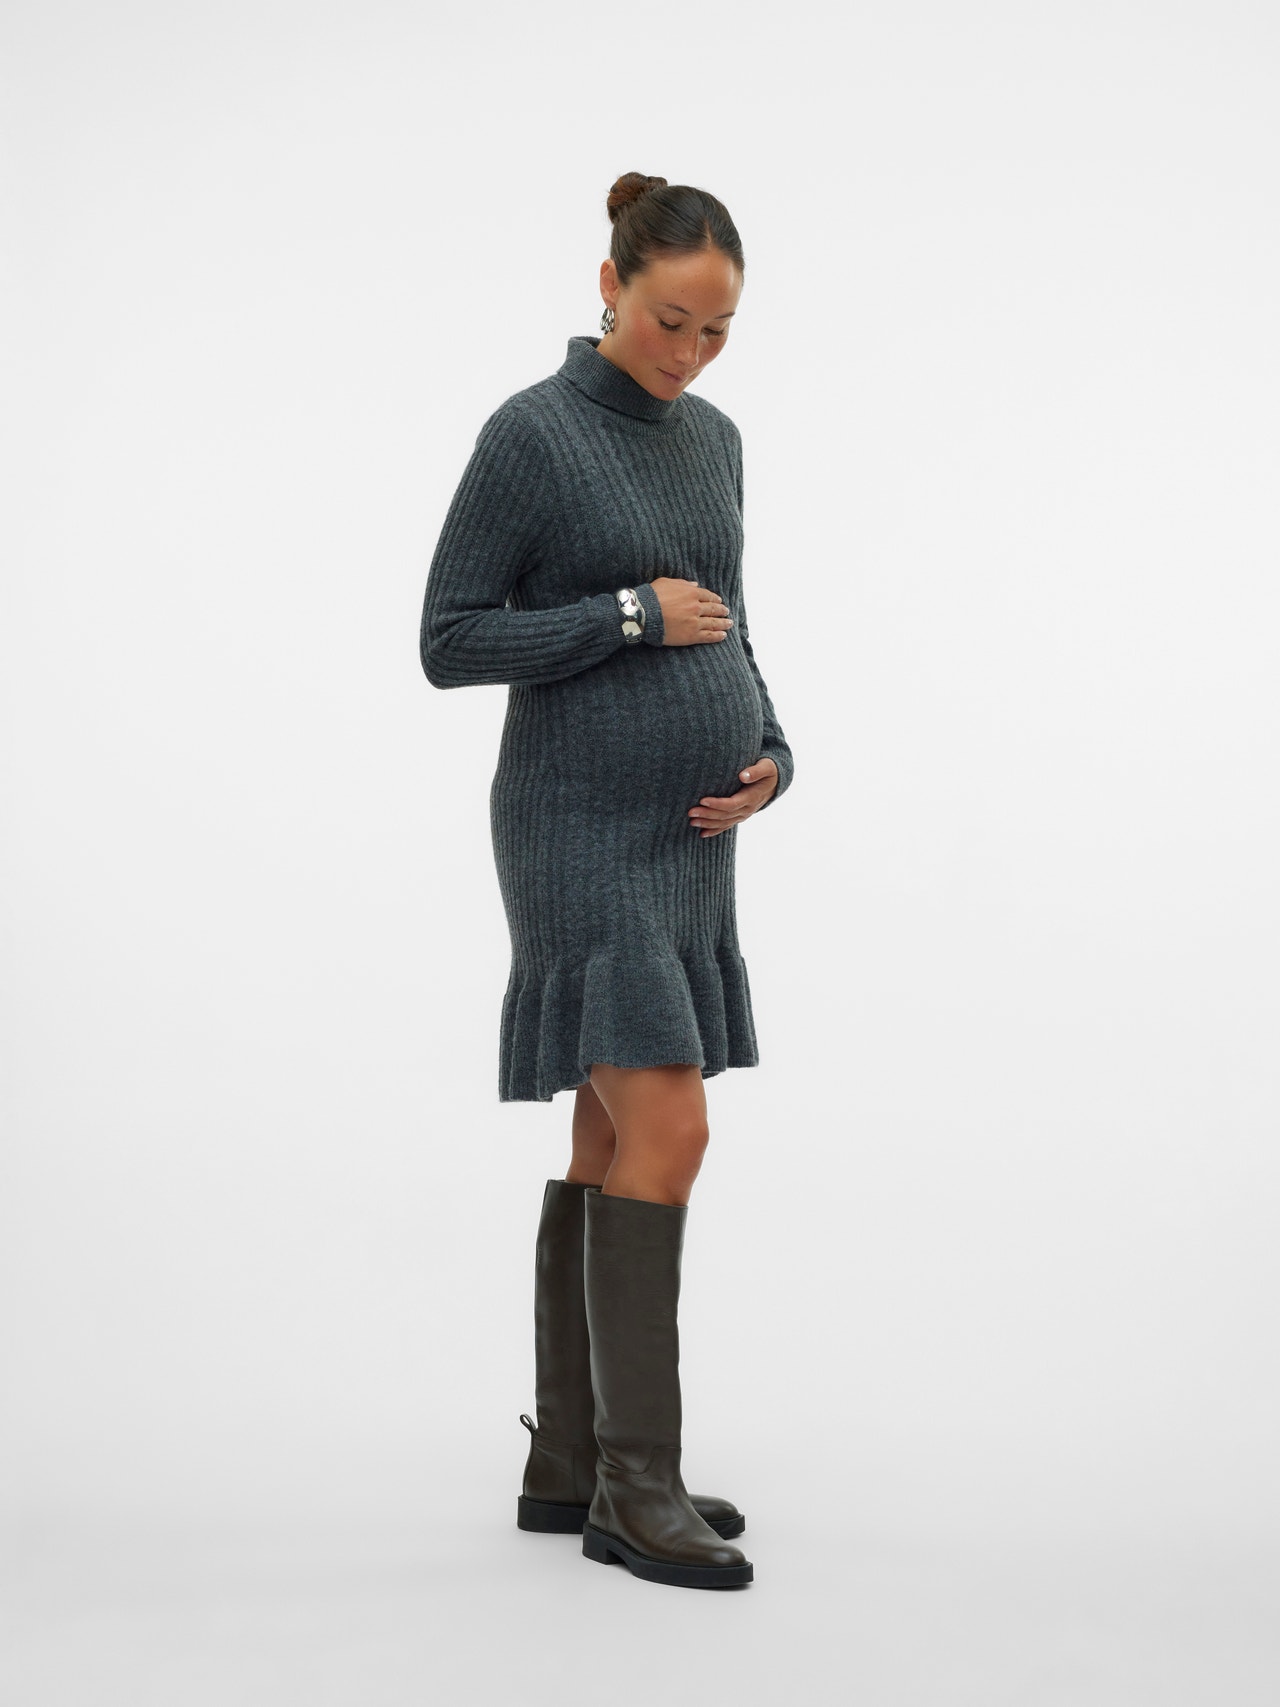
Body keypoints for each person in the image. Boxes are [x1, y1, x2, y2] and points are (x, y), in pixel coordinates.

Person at [418, 172, 795, 1590]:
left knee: (610, 1132)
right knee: (671, 1126)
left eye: (717, 330)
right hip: (574, 825)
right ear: (609, 285)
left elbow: (734, 620)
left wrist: (773, 752)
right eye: (668, 320)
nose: (689, 353)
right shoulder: (532, 433)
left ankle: (573, 1459)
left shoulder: (718, 442)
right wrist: (628, 616)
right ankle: (642, 1489)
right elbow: (450, 638)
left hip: (689, 841)